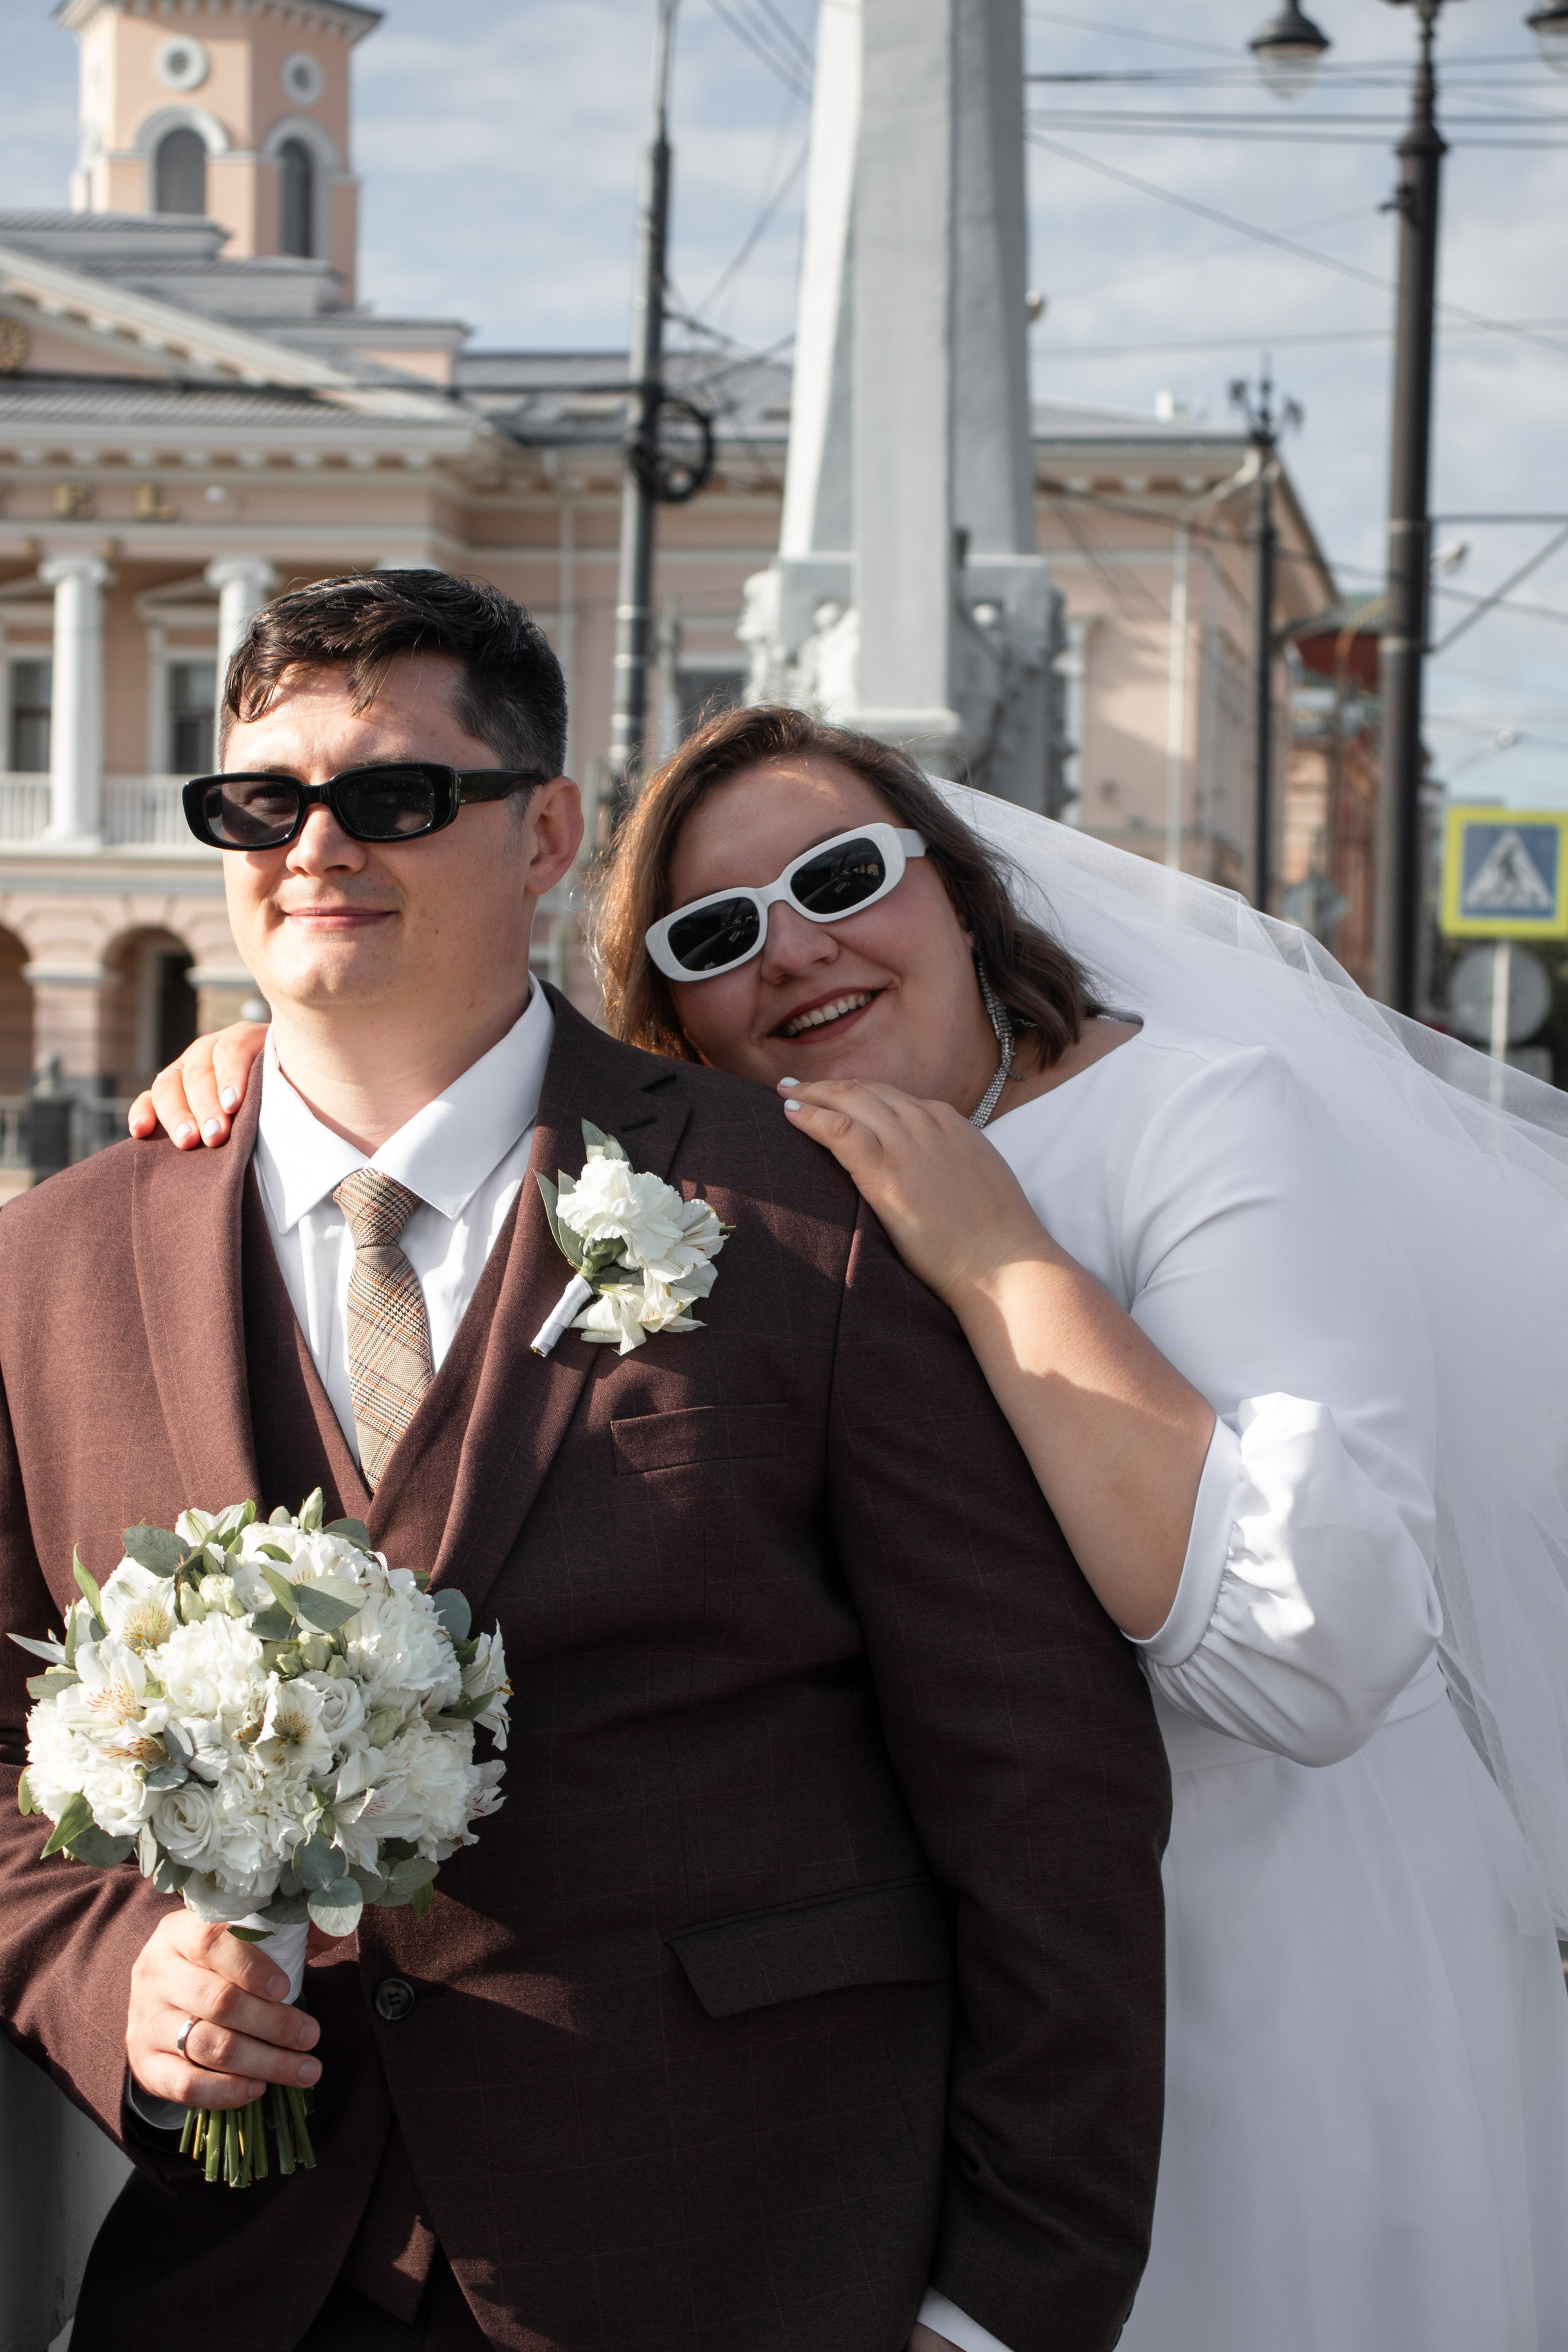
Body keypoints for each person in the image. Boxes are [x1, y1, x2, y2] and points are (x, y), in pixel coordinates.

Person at [154, 698, 1568, 2352]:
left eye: (841, 878)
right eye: (717, 933)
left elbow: (1314, 1657)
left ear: (958, 889)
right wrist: (283, 1065)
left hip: (1253, 1966)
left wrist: (1000, 1258)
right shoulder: (726, 1194)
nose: (796, 950)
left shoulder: (1198, 1118)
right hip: (920, 2040)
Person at [0, 576, 1170, 2352]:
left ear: (545, 832)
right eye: (259, 802)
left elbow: (1042, 1787)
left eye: (394, 795)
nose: (315, 846)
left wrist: (1007, 2301)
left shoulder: (808, 1213)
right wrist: (119, 1983)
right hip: (245, 2281)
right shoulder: (52, 1265)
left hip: (739, 2255)